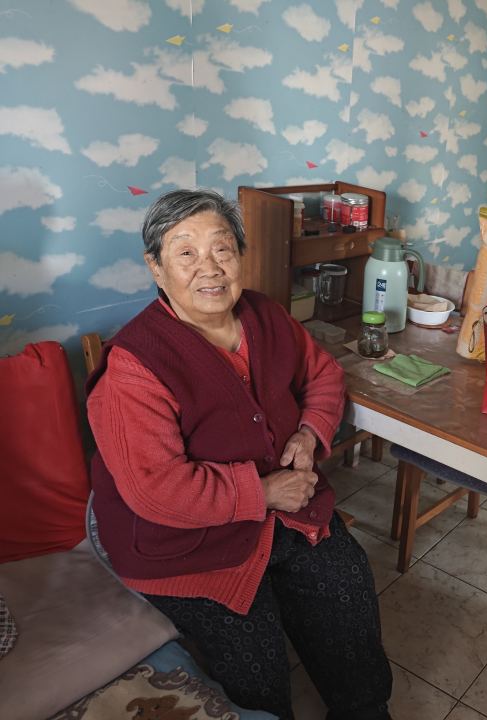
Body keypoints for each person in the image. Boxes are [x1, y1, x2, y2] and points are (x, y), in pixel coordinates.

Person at [86, 188, 393, 720]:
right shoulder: (134, 367)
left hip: (284, 513)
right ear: (156, 267)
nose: (209, 267)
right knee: (256, 661)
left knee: (345, 584)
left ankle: (364, 711)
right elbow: (156, 489)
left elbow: (323, 375)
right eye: (186, 252)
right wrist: (265, 491)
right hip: (184, 543)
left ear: (240, 256)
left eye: (222, 248)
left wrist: (308, 434)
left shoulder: (265, 315)